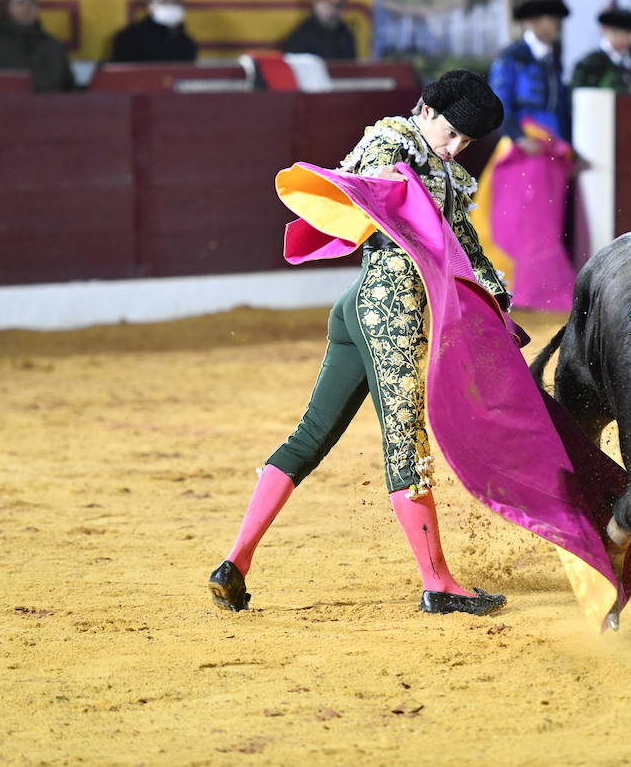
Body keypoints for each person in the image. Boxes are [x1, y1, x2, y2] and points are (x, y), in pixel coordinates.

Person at [207, 70, 512, 617]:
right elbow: (376, 188)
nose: (457, 147)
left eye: (468, 142)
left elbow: (465, 243)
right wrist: (406, 183)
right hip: (390, 312)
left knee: (311, 436)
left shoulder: (444, 171)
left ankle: (236, 563)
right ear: (426, 111)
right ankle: (437, 583)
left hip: (362, 307)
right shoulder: (392, 141)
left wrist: (496, 300)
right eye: (452, 133)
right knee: (406, 441)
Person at [489, 0, 571, 142]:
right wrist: (518, 137)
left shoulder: (553, 60)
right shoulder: (510, 57)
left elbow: (561, 107)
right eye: (548, 19)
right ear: (529, 21)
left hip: (554, 139)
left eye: (555, 19)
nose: (553, 25)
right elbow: (498, 104)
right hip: (522, 139)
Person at [571, 6, 631, 93]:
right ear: (605, 30)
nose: (622, 38)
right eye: (616, 32)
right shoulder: (589, 64)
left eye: (627, 33)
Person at [109, 0, 198, 62]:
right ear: (150, 5)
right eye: (165, 1)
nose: (171, 6)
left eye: (176, 2)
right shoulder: (129, 38)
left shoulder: (187, 43)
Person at [280, 0, 359, 61]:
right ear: (317, 3)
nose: (334, 11)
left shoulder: (346, 34)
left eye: (339, 5)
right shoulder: (302, 35)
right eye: (329, 4)